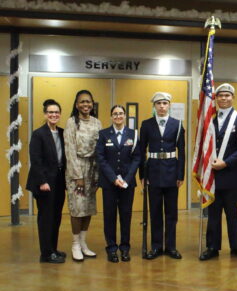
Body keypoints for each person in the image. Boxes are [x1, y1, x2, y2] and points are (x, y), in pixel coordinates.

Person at [200, 83, 237, 261]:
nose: (223, 98)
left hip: (231, 176)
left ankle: (236, 247)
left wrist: (226, 163)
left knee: (232, 214)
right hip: (212, 176)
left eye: (227, 95)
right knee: (213, 215)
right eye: (220, 95)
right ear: (215, 98)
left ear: (233, 98)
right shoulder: (209, 119)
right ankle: (212, 247)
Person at [139, 92, 185, 260]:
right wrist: (142, 175)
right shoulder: (146, 124)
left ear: (169, 105)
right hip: (153, 173)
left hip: (172, 173)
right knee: (155, 212)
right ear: (154, 106)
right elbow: (140, 151)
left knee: (171, 213)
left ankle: (171, 246)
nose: (162, 106)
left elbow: (182, 151)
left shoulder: (177, 124)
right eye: (158, 103)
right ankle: (157, 246)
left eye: (165, 103)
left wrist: (181, 174)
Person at [96, 105, 141, 263]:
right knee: (109, 216)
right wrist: (114, 178)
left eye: (121, 113)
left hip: (127, 183)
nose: (118, 116)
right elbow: (100, 158)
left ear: (125, 116)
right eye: (115, 114)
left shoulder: (133, 134)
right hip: (109, 183)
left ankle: (125, 248)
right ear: (111, 117)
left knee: (126, 215)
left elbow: (137, 158)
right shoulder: (103, 134)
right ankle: (112, 248)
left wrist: (127, 179)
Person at [27, 99, 67, 263]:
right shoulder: (39, 134)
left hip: (59, 181)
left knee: (56, 217)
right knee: (46, 218)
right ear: (45, 114)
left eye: (56, 112)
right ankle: (46, 254)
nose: (54, 115)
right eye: (50, 112)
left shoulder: (62, 132)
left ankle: (53, 249)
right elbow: (35, 160)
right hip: (44, 183)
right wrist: (43, 181)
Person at [64, 90, 102, 262]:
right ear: (76, 104)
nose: (86, 105)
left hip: (93, 170)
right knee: (77, 208)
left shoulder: (97, 123)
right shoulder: (72, 122)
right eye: (82, 102)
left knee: (88, 208)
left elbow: (101, 149)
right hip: (77, 169)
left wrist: (99, 173)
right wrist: (77, 175)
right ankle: (75, 244)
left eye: (88, 102)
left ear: (92, 104)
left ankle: (83, 243)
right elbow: (70, 150)